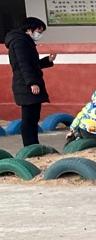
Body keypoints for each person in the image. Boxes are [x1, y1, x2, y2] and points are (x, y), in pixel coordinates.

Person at [6, 17, 57, 148]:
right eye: (39, 31)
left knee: (34, 116)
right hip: (25, 84)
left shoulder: (26, 42)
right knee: (29, 117)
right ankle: (29, 145)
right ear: (29, 29)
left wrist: (48, 60)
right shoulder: (19, 42)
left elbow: (33, 64)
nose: (39, 34)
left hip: (28, 82)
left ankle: (34, 144)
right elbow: (23, 65)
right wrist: (32, 83)